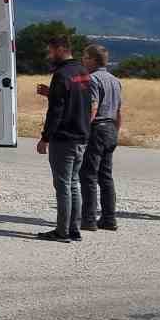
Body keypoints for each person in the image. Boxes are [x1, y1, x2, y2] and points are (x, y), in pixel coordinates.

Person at [35, 35, 92, 242]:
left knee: (63, 186)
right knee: (73, 183)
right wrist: (51, 93)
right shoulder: (82, 72)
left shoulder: (61, 74)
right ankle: (73, 229)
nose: (49, 55)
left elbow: (57, 110)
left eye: (50, 51)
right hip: (81, 135)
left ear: (60, 49)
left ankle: (62, 231)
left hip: (64, 137)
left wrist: (45, 138)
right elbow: (76, 100)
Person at [79, 44, 122, 232]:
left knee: (88, 174)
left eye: (85, 57)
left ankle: (88, 219)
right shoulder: (115, 81)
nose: (82, 60)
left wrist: (83, 129)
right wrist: (116, 131)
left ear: (92, 60)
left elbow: (93, 106)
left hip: (96, 128)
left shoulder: (92, 79)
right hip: (111, 127)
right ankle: (109, 218)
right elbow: (119, 110)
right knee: (106, 176)